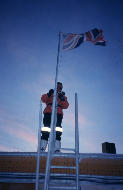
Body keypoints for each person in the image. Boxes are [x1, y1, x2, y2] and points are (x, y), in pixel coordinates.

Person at [40, 82, 69, 152]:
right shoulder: (50, 94)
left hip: (58, 113)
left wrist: (62, 99)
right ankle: (42, 147)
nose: (59, 88)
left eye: (60, 87)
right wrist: (48, 94)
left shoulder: (63, 96)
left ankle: (57, 148)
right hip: (48, 112)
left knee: (58, 130)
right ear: (55, 87)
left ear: (61, 88)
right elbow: (43, 99)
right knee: (46, 129)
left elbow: (66, 105)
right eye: (58, 87)